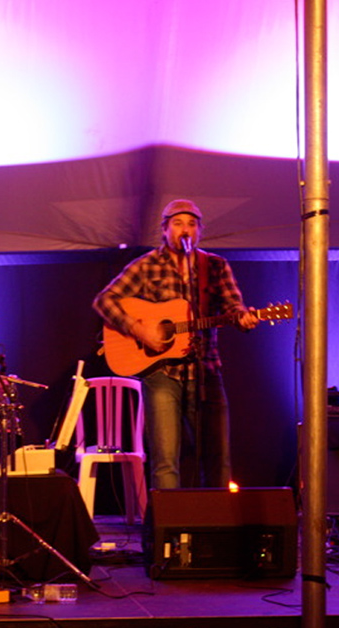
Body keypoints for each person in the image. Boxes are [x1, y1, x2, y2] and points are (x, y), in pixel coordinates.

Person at [93, 199, 258, 490]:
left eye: (192, 224)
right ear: (165, 229)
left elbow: (234, 305)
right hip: (162, 374)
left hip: (206, 371)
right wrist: (139, 329)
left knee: (218, 457)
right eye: (178, 223)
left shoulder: (215, 266)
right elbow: (104, 300)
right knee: (166, 460)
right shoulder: (146, 266)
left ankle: (216, 525)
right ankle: (165, 532)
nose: (186, 230)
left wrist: (243, 317)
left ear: (200, 231)